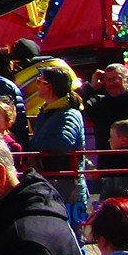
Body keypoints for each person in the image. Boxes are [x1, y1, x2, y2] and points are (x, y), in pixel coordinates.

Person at [30, 62, 91, 232]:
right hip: (55, 183)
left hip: (68, 185)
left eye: (39, 82)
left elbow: (63, 143)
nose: (37, 85)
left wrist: (33, 145)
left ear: (49, 87)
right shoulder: (48, 111)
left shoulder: (69, 113)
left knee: (73, 239)